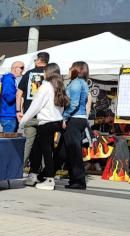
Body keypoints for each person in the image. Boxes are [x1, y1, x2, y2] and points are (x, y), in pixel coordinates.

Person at [19, 63, 69, 191]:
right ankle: (38, 175)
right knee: (41, 149)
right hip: (56, 122)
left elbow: (35, 106)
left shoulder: (45, 86)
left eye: (45, 72)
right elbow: (62, 106)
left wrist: (23, 121)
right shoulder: (59, 86)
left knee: (46, 152)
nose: (43, 74)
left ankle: (49, 179)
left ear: (49, 72)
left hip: (46, 123)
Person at [17, 52, 49, 167]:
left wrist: (18, 111)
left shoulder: (29, 74)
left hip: (29, 114)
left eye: (35, 60)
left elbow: (19, 93)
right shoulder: (50, 74)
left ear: (39, 60)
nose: (35, 62)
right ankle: (46, 172)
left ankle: (19, 169)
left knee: (28, 145)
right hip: (45, 115)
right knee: (46, 145)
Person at [62, 61, 90, 190]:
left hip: (74, 118)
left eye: (71, 67)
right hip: (80, 118)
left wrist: (64, 117)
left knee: (74, 151)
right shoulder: (82, 83)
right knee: (70, 150)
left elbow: (74, 104)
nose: (68, 69)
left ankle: (78, 181)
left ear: (76, 70)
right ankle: (75, 179)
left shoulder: (76, 84)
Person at [0, 61, 24, 132]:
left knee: (10, 141)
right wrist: (19, 93)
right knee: (8, 142)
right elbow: (9, 98)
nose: (23, 70)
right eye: (21, 68)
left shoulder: (11, 79)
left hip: (10, 115)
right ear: (15, 68)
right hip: (8, 116)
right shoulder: (8, 80)